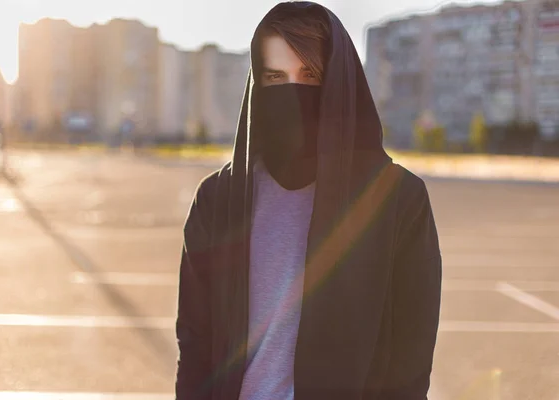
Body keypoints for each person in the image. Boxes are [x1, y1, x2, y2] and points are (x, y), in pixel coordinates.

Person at [175, 2, 442, 399]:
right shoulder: (218, 199)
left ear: (340, 80)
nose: (293, 93)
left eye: (311, 75)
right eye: (275, 76)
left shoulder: (398, 200)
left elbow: (410, 362)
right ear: (257, 86)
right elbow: (195, 345)